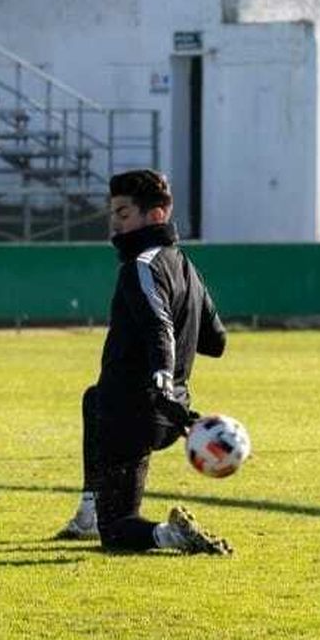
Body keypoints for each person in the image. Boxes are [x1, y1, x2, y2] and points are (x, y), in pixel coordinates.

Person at [52, 169, 232, 555]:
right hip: (168, 411)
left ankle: (171, 535)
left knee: (117, 533)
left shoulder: (141, 264)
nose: (114, 225)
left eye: (123, 213)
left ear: (157, 215)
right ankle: (88, 510)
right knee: (93, 399)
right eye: (113, 213)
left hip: (135, 410)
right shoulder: (186, 266)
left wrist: (162, 376)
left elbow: (158, 326)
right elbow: (216, 342)